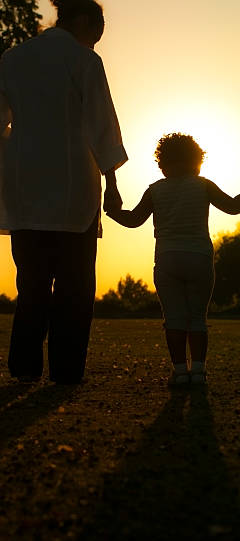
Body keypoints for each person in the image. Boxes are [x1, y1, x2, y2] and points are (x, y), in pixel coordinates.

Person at [0, 0, 127, 384]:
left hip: (24, 187)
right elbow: (100, 125)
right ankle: (66, 369)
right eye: (97, 33)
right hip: (74, 189)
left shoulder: (12, 58)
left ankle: (24, 368)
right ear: (87, 21)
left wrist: (15, 159)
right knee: (74, 284)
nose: (97, 42)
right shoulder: (84, 61)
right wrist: (113, 182)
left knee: (32, 282)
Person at [105, 132, 240, 386]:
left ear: (162, 163)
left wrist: (112, 212)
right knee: (197, 317)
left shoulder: (155, 190)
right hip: (199, 257)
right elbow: (233, 207)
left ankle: (179, 371)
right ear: (197, 161)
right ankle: (198, 370)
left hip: (167, 260)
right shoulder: (203, 185)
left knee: (174, 319)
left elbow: (133, 220)